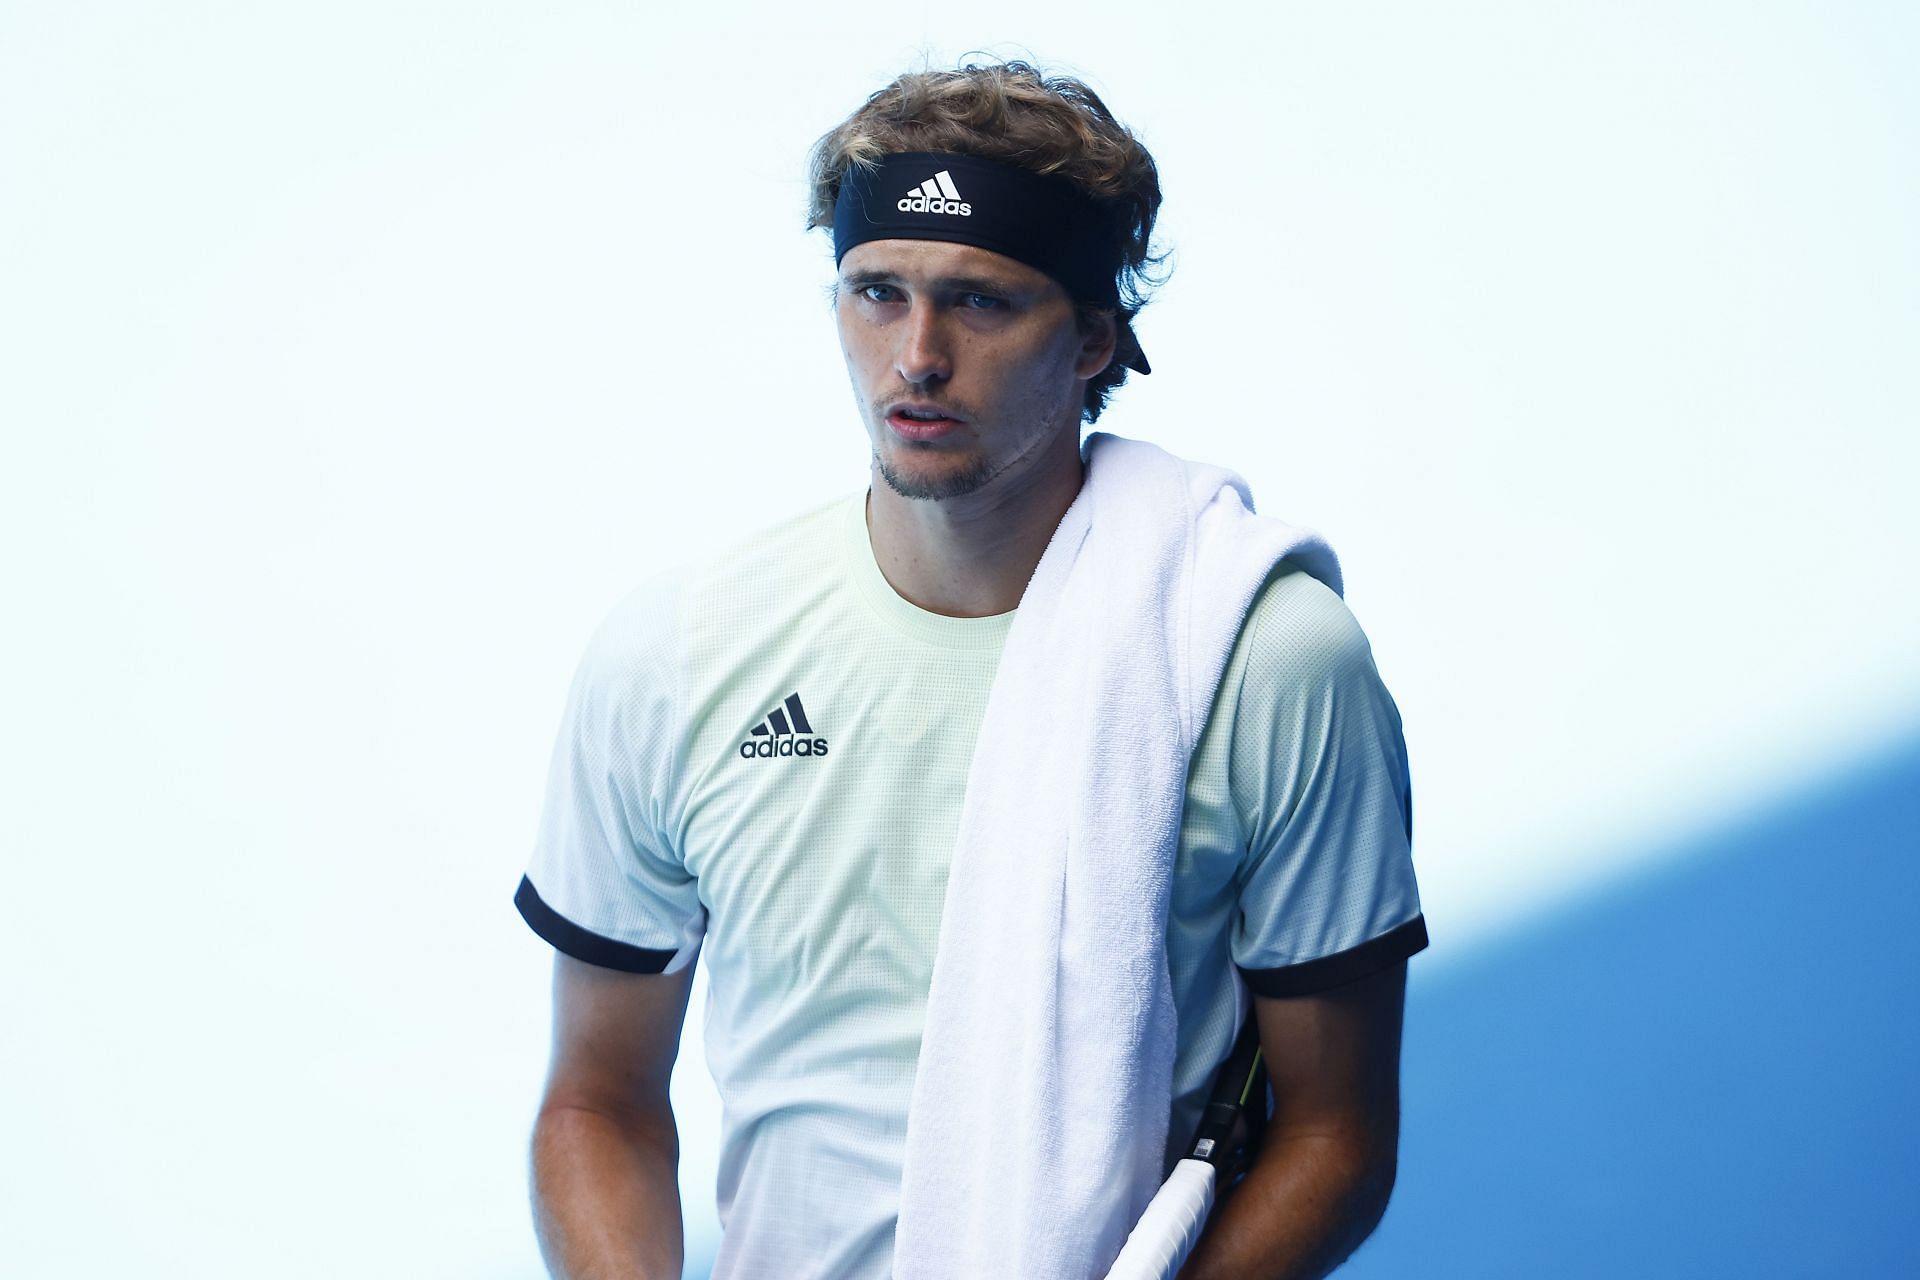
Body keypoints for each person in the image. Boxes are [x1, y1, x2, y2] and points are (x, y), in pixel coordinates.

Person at [514, 59, 1427, 1280]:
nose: (918, 355)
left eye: (983, 303)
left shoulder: (1270, 662)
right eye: (876, 292)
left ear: (1096, 338)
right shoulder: (678, 653)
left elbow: (1336, 1130)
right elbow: (597, 1096)